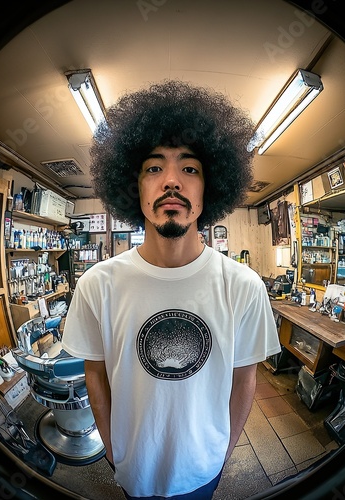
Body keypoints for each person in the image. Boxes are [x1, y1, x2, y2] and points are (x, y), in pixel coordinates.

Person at [62, 80, 281, 499]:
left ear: (209, 186)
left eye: (190, 168)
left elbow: (244, 379)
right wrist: (113, 451)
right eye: (154, 167)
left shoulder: (244, 285)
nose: (172, 181)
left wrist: (223, 453)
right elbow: (95, 374)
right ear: (135, 186)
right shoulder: (97, 285)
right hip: (132, 469)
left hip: (206, 469)